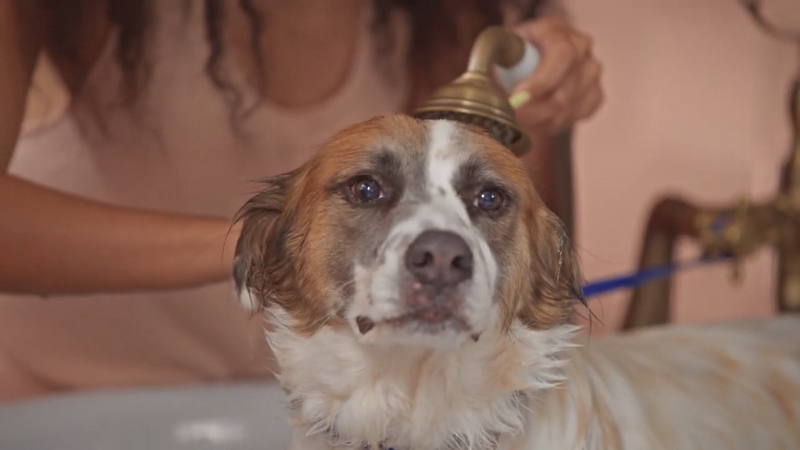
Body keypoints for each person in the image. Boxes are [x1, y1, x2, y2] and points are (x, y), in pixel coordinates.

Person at [0, 0, 603, 401]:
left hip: (347, 416)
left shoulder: (480, 18)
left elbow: (518, 289)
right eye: (364, 190)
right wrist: (274, 239)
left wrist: (537, 111)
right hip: (63, 407)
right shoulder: (69, 16)